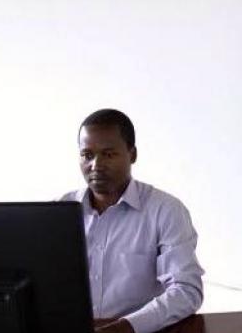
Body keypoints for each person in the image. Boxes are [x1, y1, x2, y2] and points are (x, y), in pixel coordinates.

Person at [61, 109, 204, 333]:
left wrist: (127, 327)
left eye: (108, 154)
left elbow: (186, 290)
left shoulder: (165, 210)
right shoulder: (60, 211)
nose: (96, 165)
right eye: (87, 155)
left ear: (133, 154)